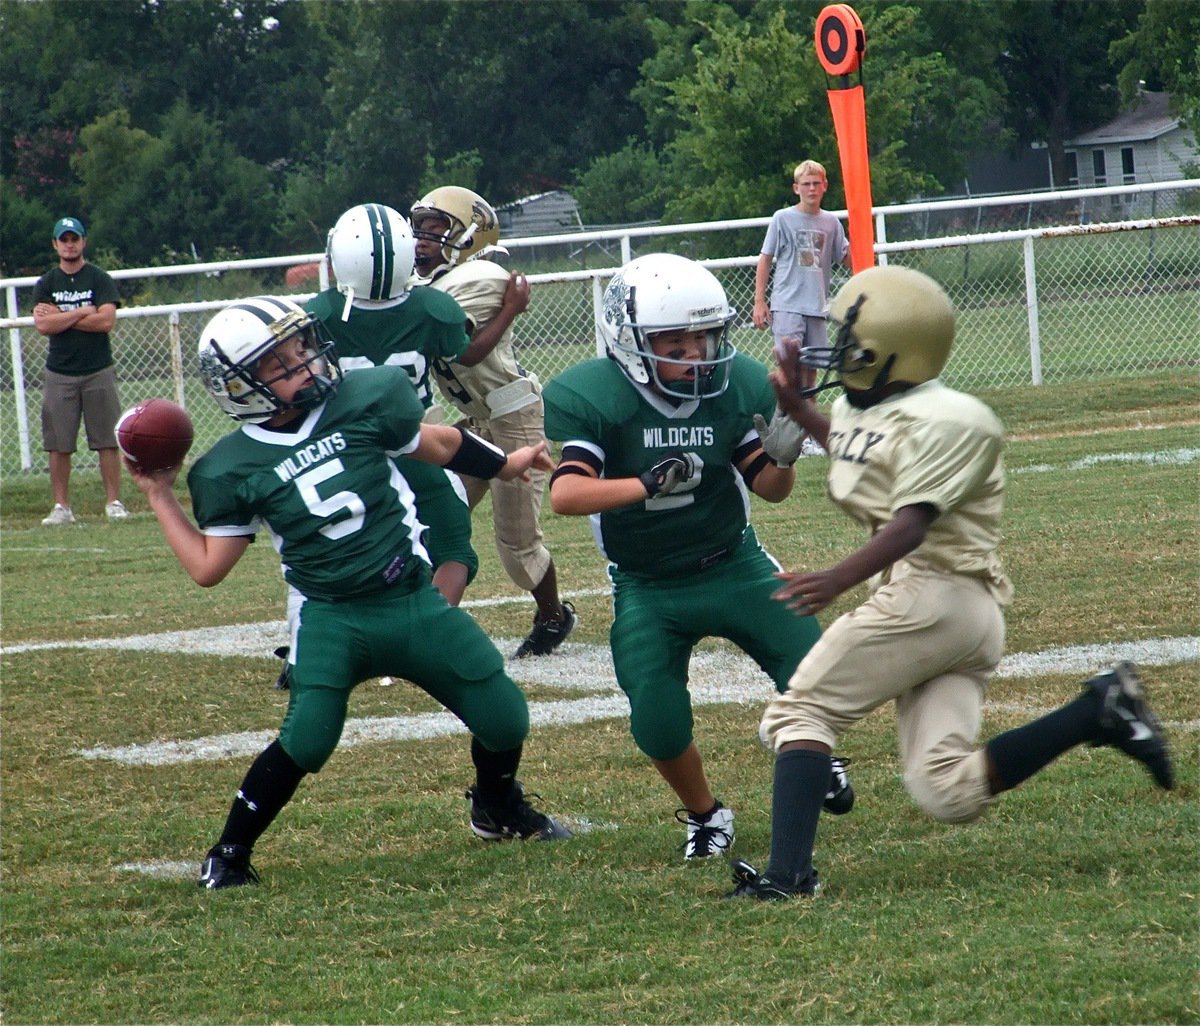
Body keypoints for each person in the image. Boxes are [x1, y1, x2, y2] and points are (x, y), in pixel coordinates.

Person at [727, 265, 1175, 900]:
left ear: (890, 348)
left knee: (802, 712)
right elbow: (869, 455)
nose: (836, 351)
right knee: (946, 790)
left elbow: (911, 524)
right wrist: (801, 410)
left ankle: (788, 878)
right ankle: (1096, 712)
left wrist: (837, 579)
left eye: (847, 339)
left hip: (931, 595)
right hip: (963, 614)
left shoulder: (951, 419)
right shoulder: (900, 407)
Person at [127, 296, 571, 890]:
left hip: (410, 599)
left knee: (505, 716)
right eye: (281, 362)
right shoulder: (229, 468)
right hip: (333, 617)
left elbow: (439, 443)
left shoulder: (364, 401)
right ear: (242, 386)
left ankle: (496, 806)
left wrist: (507, 463)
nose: (305, 365)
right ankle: (229, 852)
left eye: (302, 348)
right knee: (308, 738)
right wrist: (160, 494)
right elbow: (209, 567)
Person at [543, 253, 852, 861]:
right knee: (655, 718)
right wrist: (646, 484)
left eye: (704, 339)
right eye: (675, 344)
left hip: (733, 563)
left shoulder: (731, 386)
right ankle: (708, 816)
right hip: (650, 585)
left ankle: (815, 756)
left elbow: (768, 488)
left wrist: (783, 458)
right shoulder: (597, 396)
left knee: (815, 671)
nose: (694, 356)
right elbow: (566, 494)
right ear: (629, 343)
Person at [411, 186, 577, 658]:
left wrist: (508, 310)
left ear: (468, 233)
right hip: (477, 419)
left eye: (435, 227)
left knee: (518, 546)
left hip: (514, 417)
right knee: (430, 521)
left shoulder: (480, 275)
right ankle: (414, 618)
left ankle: (553, 617)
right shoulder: (431, 285)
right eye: (419, 226)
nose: (422, 237)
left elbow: (463, 351)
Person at [306, 202, 479, 607]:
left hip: (343, 455)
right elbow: (460, 350)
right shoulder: (434, 309)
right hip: (413, 446)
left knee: (330, 560)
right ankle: (429, 634)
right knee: (454, 552)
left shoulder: (318, 315)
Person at [32, 216, 128, 524]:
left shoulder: (99, 279)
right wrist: (84, 311)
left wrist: (66, 315)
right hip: (60, 372)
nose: (70, 245)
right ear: (55, 244)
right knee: (59, 443)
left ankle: (114, 502)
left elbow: (106, 322)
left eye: (75, 239)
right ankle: (62, 507)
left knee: (106, 440)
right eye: (64, 240)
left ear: (83, 242)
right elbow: (44, 325)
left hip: (98, 369)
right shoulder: (47, 283)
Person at [752, 159, 850, 449]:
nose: (811, 188)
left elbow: (844, 256)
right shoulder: (782, 219)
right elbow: (766, 258)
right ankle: (781, 429)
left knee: (810, 373)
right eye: (805, 184)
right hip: (788, 304)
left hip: (816, 307)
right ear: (796, 188)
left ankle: (808, 435)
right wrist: (760, 300)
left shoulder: (831, 222)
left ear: (825, 187)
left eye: (816, 183)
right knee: (788, 369)